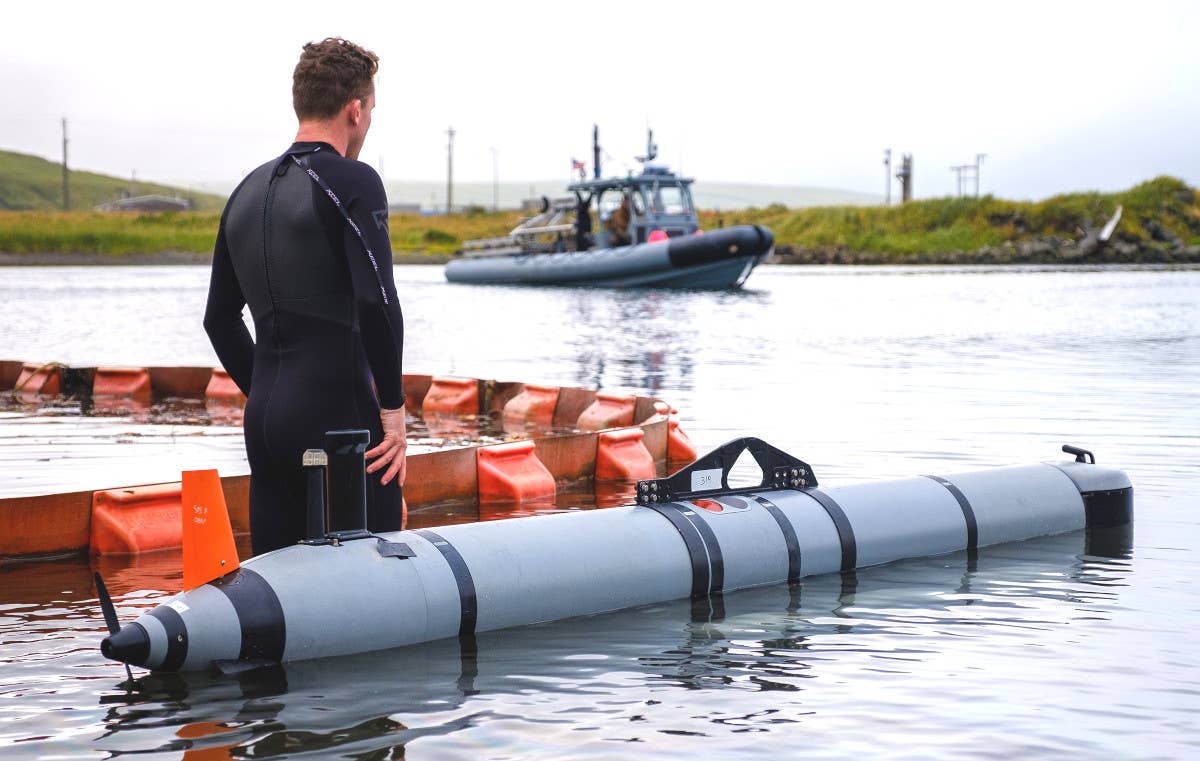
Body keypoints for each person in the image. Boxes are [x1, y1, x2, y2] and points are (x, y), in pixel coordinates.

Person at [203, 37, 406, 555]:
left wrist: (275, 391)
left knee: (281, 586)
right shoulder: (353, 181)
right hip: (342, 421)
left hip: (267, 423)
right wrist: (394, 411)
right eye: (372, 111)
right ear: (355, 109)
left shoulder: (244, 193)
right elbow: (376, 301)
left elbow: (219, 320)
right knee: (372, 582)